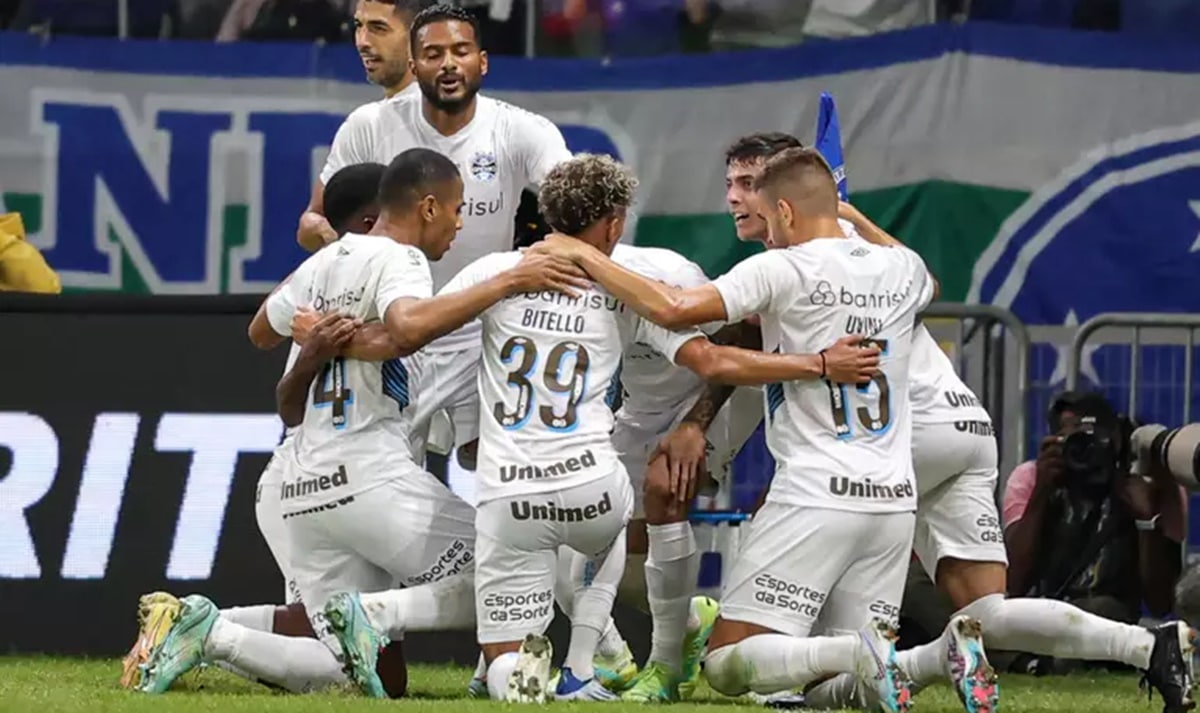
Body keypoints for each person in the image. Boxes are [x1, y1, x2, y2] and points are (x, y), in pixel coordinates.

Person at [134, 149, 584, 698]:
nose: (461, 222)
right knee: (513, 560)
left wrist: (318, 327)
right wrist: (508, 282)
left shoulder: (324, 262)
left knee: (368, 674)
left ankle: (208, 631)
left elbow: (260, 330)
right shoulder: (400, 259)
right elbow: (410, 325)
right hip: (367, 474)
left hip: (303, 479)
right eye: (457, 208)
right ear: (427, 207)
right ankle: (375, 611)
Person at [450, 154, 882, 703]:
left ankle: (617, 664)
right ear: (613, 223)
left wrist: (694, 425)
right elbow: (714, 356)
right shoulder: (634, 288)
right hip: (597, 470)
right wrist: (820, 363)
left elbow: (411, 328)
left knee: (629, 513)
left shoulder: (497, 273)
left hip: (529, 477)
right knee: (598, 536)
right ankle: (593, 661)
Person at [534, 147, 941, 710]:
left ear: (786, 212)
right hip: (894, 501)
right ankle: (935, 659)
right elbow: (931, 282)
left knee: (726, 667)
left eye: (768, 217)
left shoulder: (782, 267)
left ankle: (871, 655)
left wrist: (581, 253)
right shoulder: (904, 269)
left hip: (816, 492)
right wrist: (854, 219)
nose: (766, 231)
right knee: (842, 699)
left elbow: (676, 309)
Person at [118, 161, 389, 692]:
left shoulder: (326, 275)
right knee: (358, 666)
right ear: (370, 221)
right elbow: (268, 344)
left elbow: (261, 328)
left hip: (305, 476)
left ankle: (187, 624)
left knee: (332, 631)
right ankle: (213, 634)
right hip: (321, 480)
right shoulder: (378, 275)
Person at [301, 2, 573, 476]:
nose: (448, 64)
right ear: (414, 63)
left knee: (493, 467)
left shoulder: (521, 130)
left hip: (482, 331)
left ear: (481, 62)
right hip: (393, 331)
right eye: (434, 54)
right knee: (386, 472)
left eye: (461, 51)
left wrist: (550, 250)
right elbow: (313, 218)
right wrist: (330, 243)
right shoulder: (370, 125)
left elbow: (577, 209)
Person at [295, 0, 429, 251]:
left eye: (378, 28)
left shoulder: (472, 115)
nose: (362, 42)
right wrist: (334, 237)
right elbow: (310, 224)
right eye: (359, 26)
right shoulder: (365, 123)